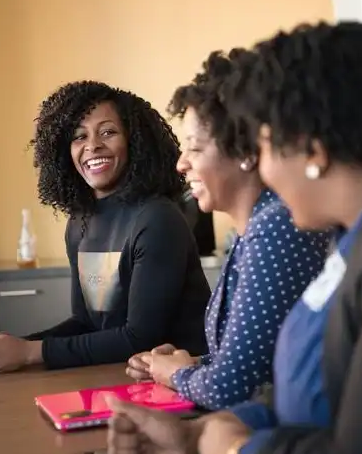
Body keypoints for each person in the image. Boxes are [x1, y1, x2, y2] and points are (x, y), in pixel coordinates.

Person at [105, 21, 362, 454]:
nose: (262, 170)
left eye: (262, 147)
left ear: (312, 149)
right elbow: (316, 380)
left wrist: (236, 447)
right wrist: (203, 431)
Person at [124, 53, 331, 410]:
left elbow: (230, 389)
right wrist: (188, 365)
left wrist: (175, 375)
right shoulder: (249, 231)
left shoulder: (275, 227)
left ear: (245, 153)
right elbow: (255, 364)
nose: (181, 162)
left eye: (195, 147)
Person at [0, 80, 211, 373]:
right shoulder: (80, 222)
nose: (92, 145)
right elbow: (86, 323)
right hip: (112, 373)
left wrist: (29, 352)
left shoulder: (157, 219)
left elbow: (139, 337)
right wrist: (19, 345)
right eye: (79, 136)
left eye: (108, 132)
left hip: (178, 383)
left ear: (134, 141)